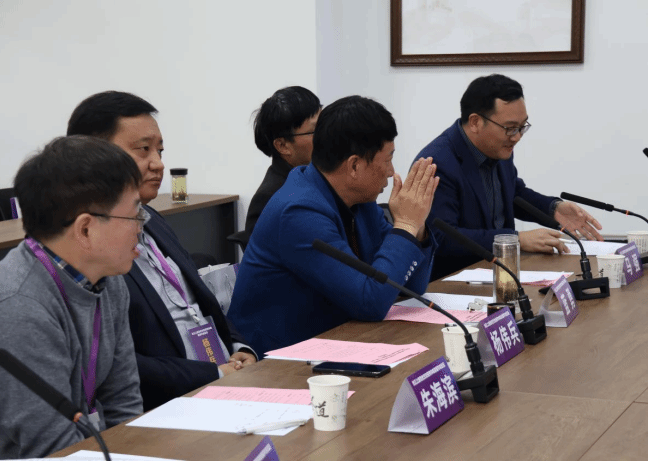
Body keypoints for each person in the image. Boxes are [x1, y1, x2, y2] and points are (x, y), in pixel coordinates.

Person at [67, 91, 256, 411]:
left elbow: (201, 303)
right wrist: (212, 374)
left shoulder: (152, 219)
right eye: (143, 150)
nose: (158, 163)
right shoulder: (84, 243)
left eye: (160, 150)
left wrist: (239, 348)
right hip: (168, 403)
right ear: (93, 154)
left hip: (223, 381)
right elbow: (113, 361)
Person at [0, 136, 144, 460]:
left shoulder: (107, 280)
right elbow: (53, 449)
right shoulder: (16, 308)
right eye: (135, 216)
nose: (141, 227)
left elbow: (124, 404)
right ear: (85, 230)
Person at [228, 95, 438, 358]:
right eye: (387, 160)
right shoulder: (299, 212)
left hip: (336, 342)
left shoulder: (359, 200)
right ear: (354, 165)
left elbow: (411, 286)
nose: (390, 171)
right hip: (274, 363)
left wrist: (417, 226)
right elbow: (370, 302)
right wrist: (405, 225)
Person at [414, 74, 603, 280]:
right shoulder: (436, 163)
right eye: (510, 128)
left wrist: (553, 208)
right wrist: (514, 240)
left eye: (522, 127)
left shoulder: (498, 147)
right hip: (453, 282)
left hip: (500, 274)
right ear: (475, 122)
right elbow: (442, 237)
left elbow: (513, 193)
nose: (517, 137)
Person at [244, 86, 322, 244]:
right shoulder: (270, 198)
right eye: (315, 131)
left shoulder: (316, 177)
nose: (325, 135)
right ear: (283, 145)